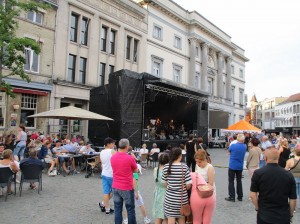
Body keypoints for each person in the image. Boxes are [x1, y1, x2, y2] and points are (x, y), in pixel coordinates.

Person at [250, 146, 297, 224]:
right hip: (283, 216)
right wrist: (291, 214)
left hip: (264, 215)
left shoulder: (258, 173)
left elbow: (253, 195)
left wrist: (258, 208)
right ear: (278, 158)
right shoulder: (288, 175)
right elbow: (293, 199)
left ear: (265, 158)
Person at [111, 138, 138, 224]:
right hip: (127, 187)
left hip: (115, 186)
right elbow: (136, 170)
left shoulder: (113, 157)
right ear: (127, 147)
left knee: (117, 209)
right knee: (130, 209)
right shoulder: (130, 158)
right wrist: (135, 180)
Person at [161, 147, 192, 224]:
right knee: (182, 218)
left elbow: (163, 183)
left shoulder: (166, 167)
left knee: (170, 219)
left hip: (170, 198)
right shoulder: (184, 167)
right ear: (180, 156)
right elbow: (189, 185)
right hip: (182, 198)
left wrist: (170, 186)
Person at [191, 150, 216, 224]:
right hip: (198, 192)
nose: (198, 164)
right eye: (196, 162)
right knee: (197, 216)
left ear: (204, 160)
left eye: (199, 162)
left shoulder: (209, 167)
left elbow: (211, 183)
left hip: (207, 192)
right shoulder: (196, 166)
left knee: (206, 216)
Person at [225, 133, 247, 202]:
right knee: (239, 181)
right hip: (240, 166)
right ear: (243, 139)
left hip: (232, 165)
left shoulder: (233, 145)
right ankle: (240, 196)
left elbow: (228, 152)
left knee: (231, 181)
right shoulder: (244, 146)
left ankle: (232, 196)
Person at [99, 137, 116, 215]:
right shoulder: (112, 151)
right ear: (108, 144)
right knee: (114, 191)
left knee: (106, 192)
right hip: (112, 174)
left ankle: (107, 208)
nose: (114, 144)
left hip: (104, 173)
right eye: (113, 143)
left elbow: (102, 163)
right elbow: (118, 160)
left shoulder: (101, 152)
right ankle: (104, 204)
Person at [152, 153, 169, 224]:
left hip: (157, 193)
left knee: (158, 216)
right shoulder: (167, 171)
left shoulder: (156, 169)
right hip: (166, 194)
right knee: (166, 217)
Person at [285, 144, 300, 210]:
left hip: (293, 177)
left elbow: (285, 170)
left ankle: (293, 207)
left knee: (293, 194)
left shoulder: (290, 160)